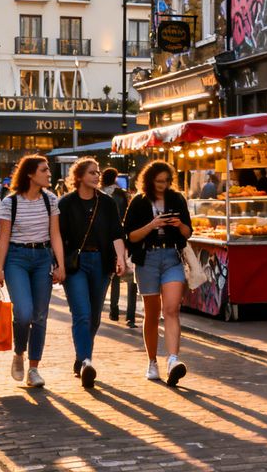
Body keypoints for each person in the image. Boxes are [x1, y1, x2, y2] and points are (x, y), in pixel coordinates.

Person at [0, 155, 65, 389]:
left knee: (40, 316)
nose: (49, 173)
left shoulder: (50, 200)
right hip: (17, 258)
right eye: (44, 170)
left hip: (43, 258)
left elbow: (55, 234)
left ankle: (33, 369)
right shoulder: (10, 202)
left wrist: (60, 264)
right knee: (23, 313)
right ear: (30, 174)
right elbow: (3, 237)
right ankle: (19, 352)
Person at [58, 158, 126, 387]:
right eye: (92, 172)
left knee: (94, 317)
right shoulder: (66, 203)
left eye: (98, 172)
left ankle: (81, 358)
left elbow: (117, 232)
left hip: (101, 262)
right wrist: (58, 264)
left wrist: (121, 258)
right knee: (82, 314)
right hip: (75, 264)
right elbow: (58, 237)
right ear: (79, 177)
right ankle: (87, 361)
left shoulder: (107, 202)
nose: (97, 176)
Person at [124, 161, 192, 386]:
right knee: (152, 314)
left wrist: (179, 224)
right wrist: (152, 225)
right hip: (148, 259)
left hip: (172, 257)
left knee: (172, 309)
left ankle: (173, 360)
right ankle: (152, 361)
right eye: (159, 181)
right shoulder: (139, 201)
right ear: (150, 181)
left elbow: (188, 232)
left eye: (167, 181)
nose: (164, 185)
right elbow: (130, 236)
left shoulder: (177, 199)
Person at [101, 167, 137, 327]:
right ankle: (130, 316)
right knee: (129, 276)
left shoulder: (99, 193)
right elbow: (127, 217)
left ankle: (113, 309)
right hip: (121, 236)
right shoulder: (122, 194)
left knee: (114, 275)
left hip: (104, 239)